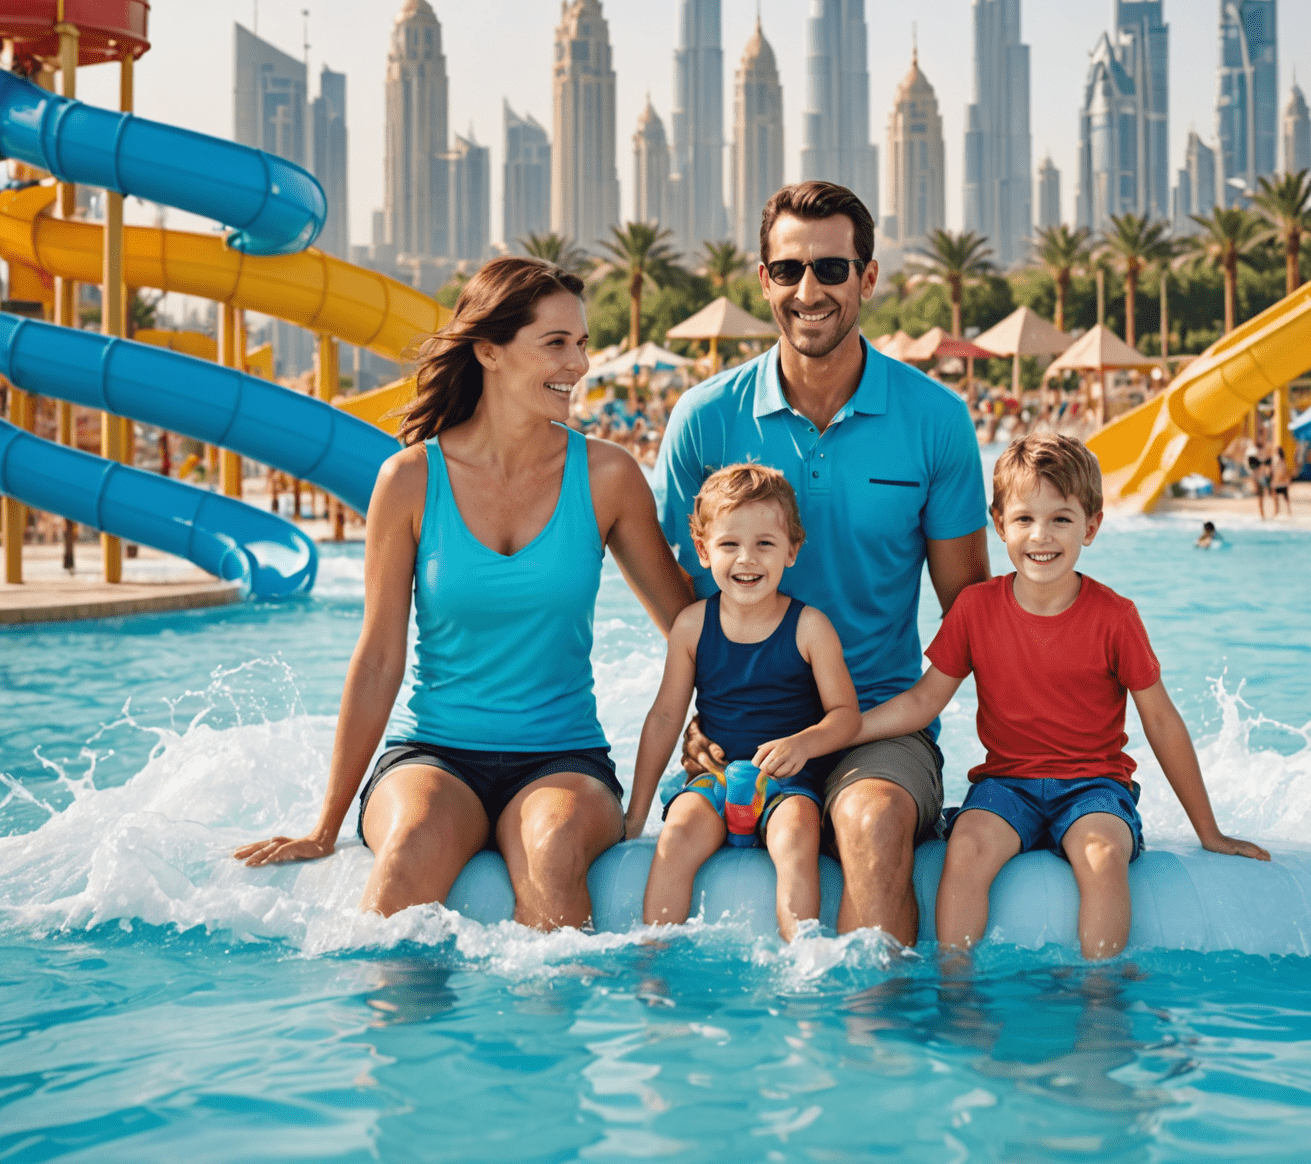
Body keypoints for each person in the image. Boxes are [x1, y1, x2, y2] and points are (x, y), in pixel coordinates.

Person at [236, 258, 692, 926]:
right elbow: (379, 658)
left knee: (554, 850)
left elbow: (687, 629)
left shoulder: (607, 477)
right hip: (435, 753)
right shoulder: (410, 481)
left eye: (583, 344)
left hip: (564, 759)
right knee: (406, 855)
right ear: (489, 351)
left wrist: (724, 726)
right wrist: (325, 825)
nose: (580, 364)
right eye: (557, 344)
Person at [655, 181, 991, 946]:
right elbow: (683, 592)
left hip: (878, 723)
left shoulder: (936, 419)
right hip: (742, 732)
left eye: (832, 270)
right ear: (763, 278)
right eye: (787, 271)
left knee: (873, 823)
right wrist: (700, 706)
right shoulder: (703, 419)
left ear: (868, 279)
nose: (809, 291)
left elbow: (969, 610)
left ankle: (868, 1049)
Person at [857, 433, 1269, 960]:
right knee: (967, 846)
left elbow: (1161, 723)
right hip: (1008, 783)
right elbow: (922, 701)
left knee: (1100, 855)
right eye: (1025, 519)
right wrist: (848, 730)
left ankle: (1099, 1001)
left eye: (1061, 519)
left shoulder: (1115, 618)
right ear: (999, 523)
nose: (1041, 535)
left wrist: (1207, 831)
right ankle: (955, 989)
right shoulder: (976, 610)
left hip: (1094, 785)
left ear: (1091, 526)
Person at [627, 464, 861, 941]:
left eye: (765, 544)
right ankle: (653, 962)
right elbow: (665, 717)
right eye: (729, 545)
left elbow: (846, 716)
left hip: (787, 784)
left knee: (797, 835)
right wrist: (635, 814)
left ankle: (804, 957)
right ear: (703, 550)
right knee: (676, 836)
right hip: (713, 782)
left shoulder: (810, 627)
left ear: (792, 550)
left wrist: (804, 743)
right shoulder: (692, 627)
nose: (746, 559)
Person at [1270, 444, 1293, 517]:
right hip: (1282, 481)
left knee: (1276, 497)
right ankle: (1288, 510)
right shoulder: (1283, 460)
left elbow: (1274, 470)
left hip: (1277, 481)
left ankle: (1276, 510)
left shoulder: (1275, 459)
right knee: (1285, 497)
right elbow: (1285, 470)